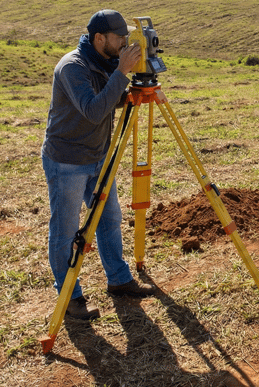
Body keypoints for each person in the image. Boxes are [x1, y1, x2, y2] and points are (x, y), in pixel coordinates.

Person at [42, 9, 156, 320]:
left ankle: (119, 280)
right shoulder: (73, 67)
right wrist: (122, 71)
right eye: (120, 38)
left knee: (109, 218)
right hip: (67, 161)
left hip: (99, 156)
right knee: (65, 231)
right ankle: (69, 297)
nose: (125, 43)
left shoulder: (104, 61)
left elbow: (109, 100)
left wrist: (129, 85)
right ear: (99, 38)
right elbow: (93, 111)